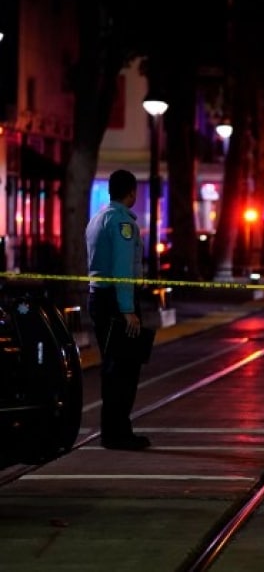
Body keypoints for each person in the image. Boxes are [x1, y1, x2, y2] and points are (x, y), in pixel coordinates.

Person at [85, 169, 151, 451]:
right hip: (117, 300)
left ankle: (113, 431)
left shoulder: (97, 219)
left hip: (99, 297)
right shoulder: (123, 223)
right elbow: (122, 269)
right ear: (132, 192)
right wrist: (127, 309)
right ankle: (118, 433)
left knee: (112, 368)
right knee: (124, 369)